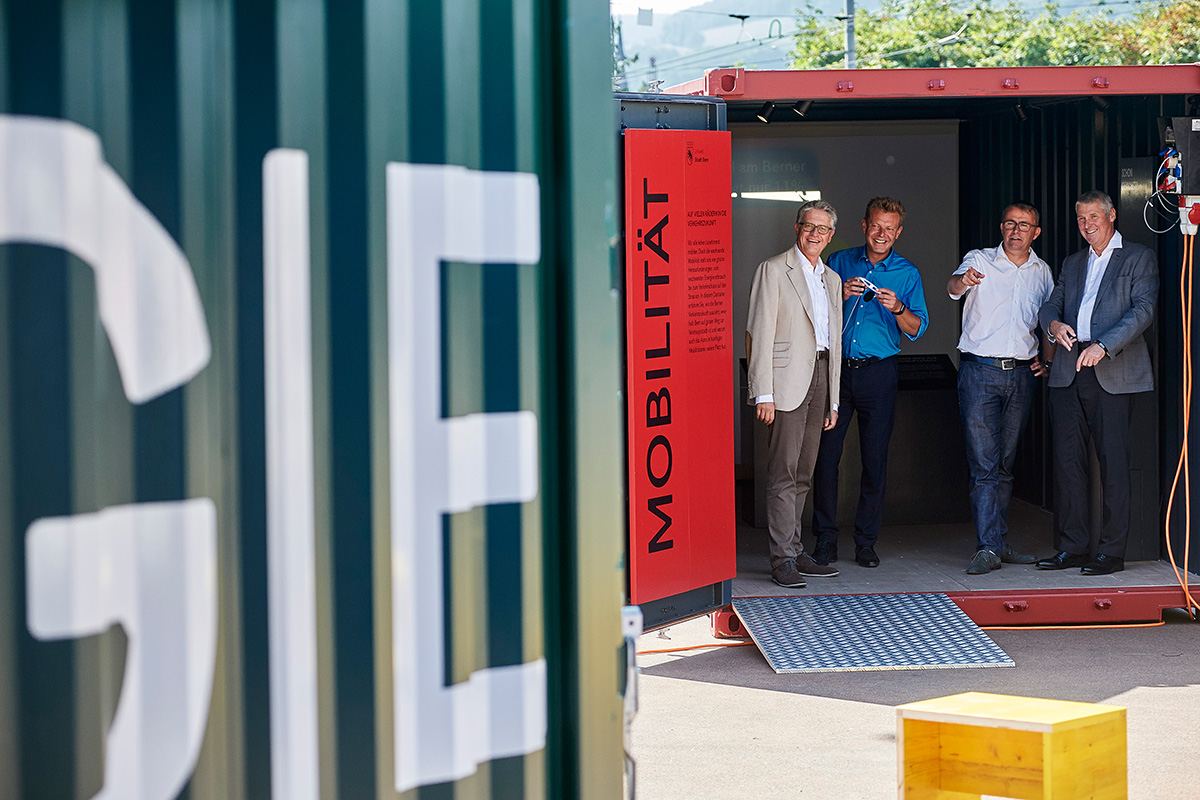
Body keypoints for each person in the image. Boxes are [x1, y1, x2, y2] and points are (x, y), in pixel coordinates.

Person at [1036, 190, 1158, 575]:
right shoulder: (1072, 263)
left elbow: (1144, 310)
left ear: (1111, 216)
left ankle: (1111, 551)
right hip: (1069, 370)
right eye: (1081, 219)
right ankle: (1072, 546)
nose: (1087, 225)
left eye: (1094, 217)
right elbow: (1050, 305)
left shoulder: (1138, 256)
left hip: (1113, 369)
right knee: (1068, 462)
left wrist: (1103, 346)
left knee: (1113, 463)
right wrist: (1053, 327)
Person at [811, 197, 928, 568]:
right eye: (876, 226)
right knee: (826, 458)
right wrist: (839, 295)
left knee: (875, 460)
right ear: (864, 226)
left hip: (879, 373)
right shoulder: (839, 261)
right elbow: (813, 313)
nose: (882, 234)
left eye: (889, 228)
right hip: (836, 370)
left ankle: (866, 542)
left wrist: (897, 308)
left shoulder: (907, 274)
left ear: (899, 232)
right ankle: (825, 541)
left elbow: (917, 329)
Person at [947, 203, 1054, 575]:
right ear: (1001, 226)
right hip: (980, 372)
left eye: (1024, 225)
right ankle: (988, 546)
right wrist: (964, 281)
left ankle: (998, 542)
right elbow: (953, 286)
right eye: (1010, 223)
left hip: (1023, 375)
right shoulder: (979, 258)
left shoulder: (1042, 272)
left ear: (1035, 232)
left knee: (1005, 465)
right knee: (984, 465)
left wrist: (1049, 359)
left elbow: (1049, 318)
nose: (1016, 230)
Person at [746, 200, 843, 588]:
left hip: (820, 375)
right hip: (785, 382)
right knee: (783, 472)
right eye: (809, 226)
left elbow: (833, 343)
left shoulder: (831, 279)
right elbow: (759, 332)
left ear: (832, 235)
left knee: (805, 471)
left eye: (823, 229)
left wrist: (834, 399)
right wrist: (762, 391)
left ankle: (796, 548)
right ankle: (782, 557)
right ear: (797, 228)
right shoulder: (773, 270)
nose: (815, 233)